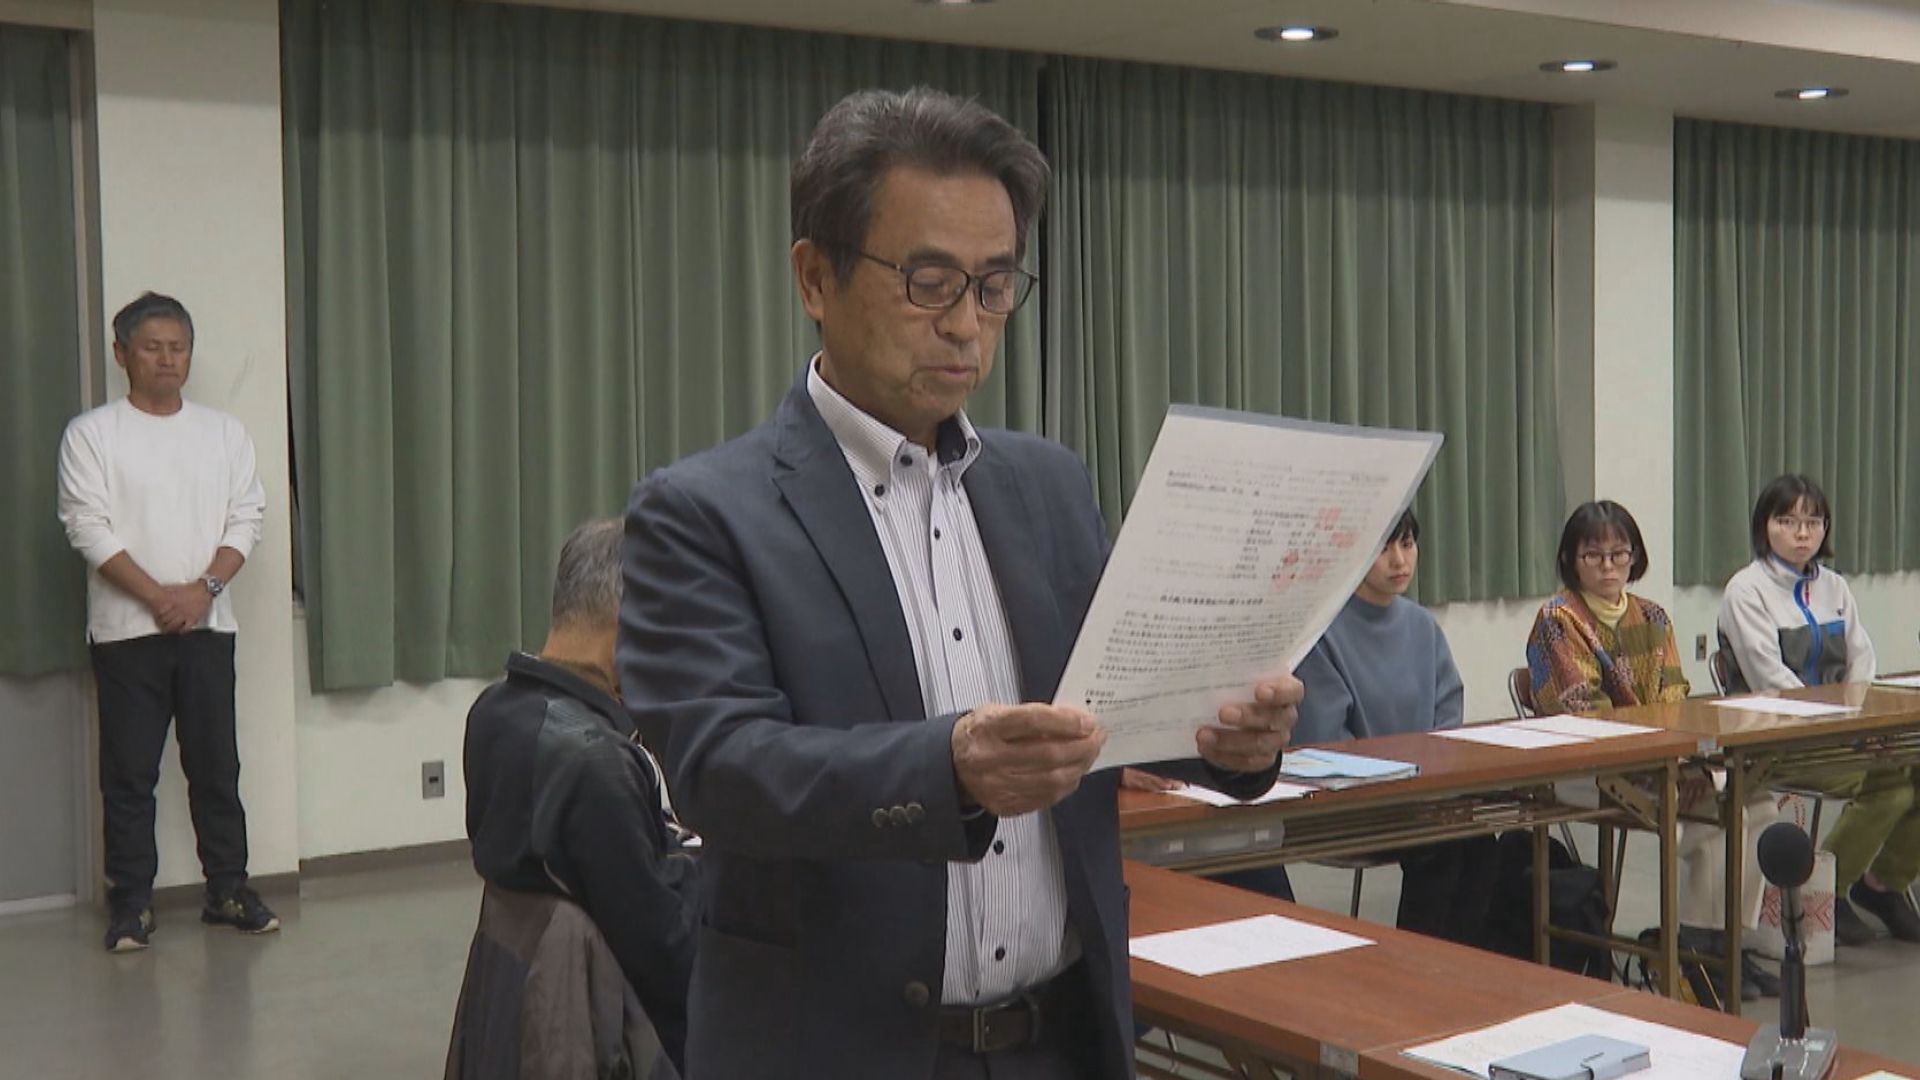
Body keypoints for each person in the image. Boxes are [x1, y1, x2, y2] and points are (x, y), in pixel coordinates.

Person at [619, 87, 1300, 1080]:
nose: (968, 326)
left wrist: (1225, 736)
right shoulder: (705, 512)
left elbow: (1106, 707)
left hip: (1061, 1037)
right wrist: (947, 770)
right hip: (839, 1050)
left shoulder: (1047, 485)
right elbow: (724, 771)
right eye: (929, 282)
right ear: (815, 277)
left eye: (994, 284)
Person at [56, 292, 276, 953]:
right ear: (121, 354)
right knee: (129, 775)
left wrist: (202, 591)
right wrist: (159, 597)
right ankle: (131, 903)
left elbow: (247, 517)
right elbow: (86, 526)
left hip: (208, 627)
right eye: (152, 347)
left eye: (178, 347)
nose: (167, 359)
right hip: (127, 635)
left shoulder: (224, 433)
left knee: (216, 767)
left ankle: (228, 889)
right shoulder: (92, 434)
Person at [462, 518, 699, 1070]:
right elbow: (666, 953)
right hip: (594, 1029)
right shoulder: (595, 762)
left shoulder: (492, 714)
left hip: (512, 1016)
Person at [1718, 474, 1920, 946]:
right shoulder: (1745, 590)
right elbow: (1770, 678)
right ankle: (1829, 891)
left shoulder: (1834, 587)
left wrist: (1864, 721)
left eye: (1813, 522)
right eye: (1788, 521)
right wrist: (1845, 729)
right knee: (1889, 790)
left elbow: (1862, 659)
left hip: (1845, 732)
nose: (1802, 533)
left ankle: (1884, 884)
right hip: (1778, 737)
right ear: (1764, 526)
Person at [1284, 509, 1491, 942]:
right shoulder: (1322, 632)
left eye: (1407, 544)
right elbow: (1325, 744)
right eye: (1383, 549)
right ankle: (1417, 963)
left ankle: (1457, 964)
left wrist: (1430, 781)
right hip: (1346, 802)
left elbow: (1448, 716)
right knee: (1444, 840)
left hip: (1420, 796)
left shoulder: (1421, 625)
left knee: (1478, 836)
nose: (1399, 560)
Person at [1526, 500, 1690, 714]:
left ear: (1634, 556)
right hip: (1587, 733)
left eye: (1618, 554)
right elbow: (1578, 702)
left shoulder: (1653, 617)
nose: (1607, 566)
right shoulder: (1557, 619)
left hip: (1657, 731)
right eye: (1593, 556)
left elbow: (1674, 690)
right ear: (1569, 559)